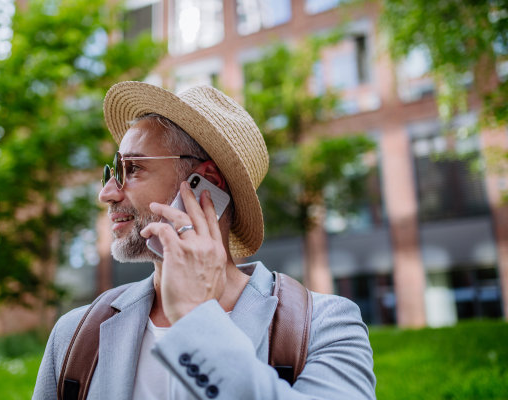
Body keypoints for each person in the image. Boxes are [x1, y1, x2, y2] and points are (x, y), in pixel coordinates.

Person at [33, 82, 376, 400]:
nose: (106, 193)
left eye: (133, 168)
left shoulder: (324, 325)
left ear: (204, 183)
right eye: (112, 172)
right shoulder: (75, 335)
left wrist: (196, 319)